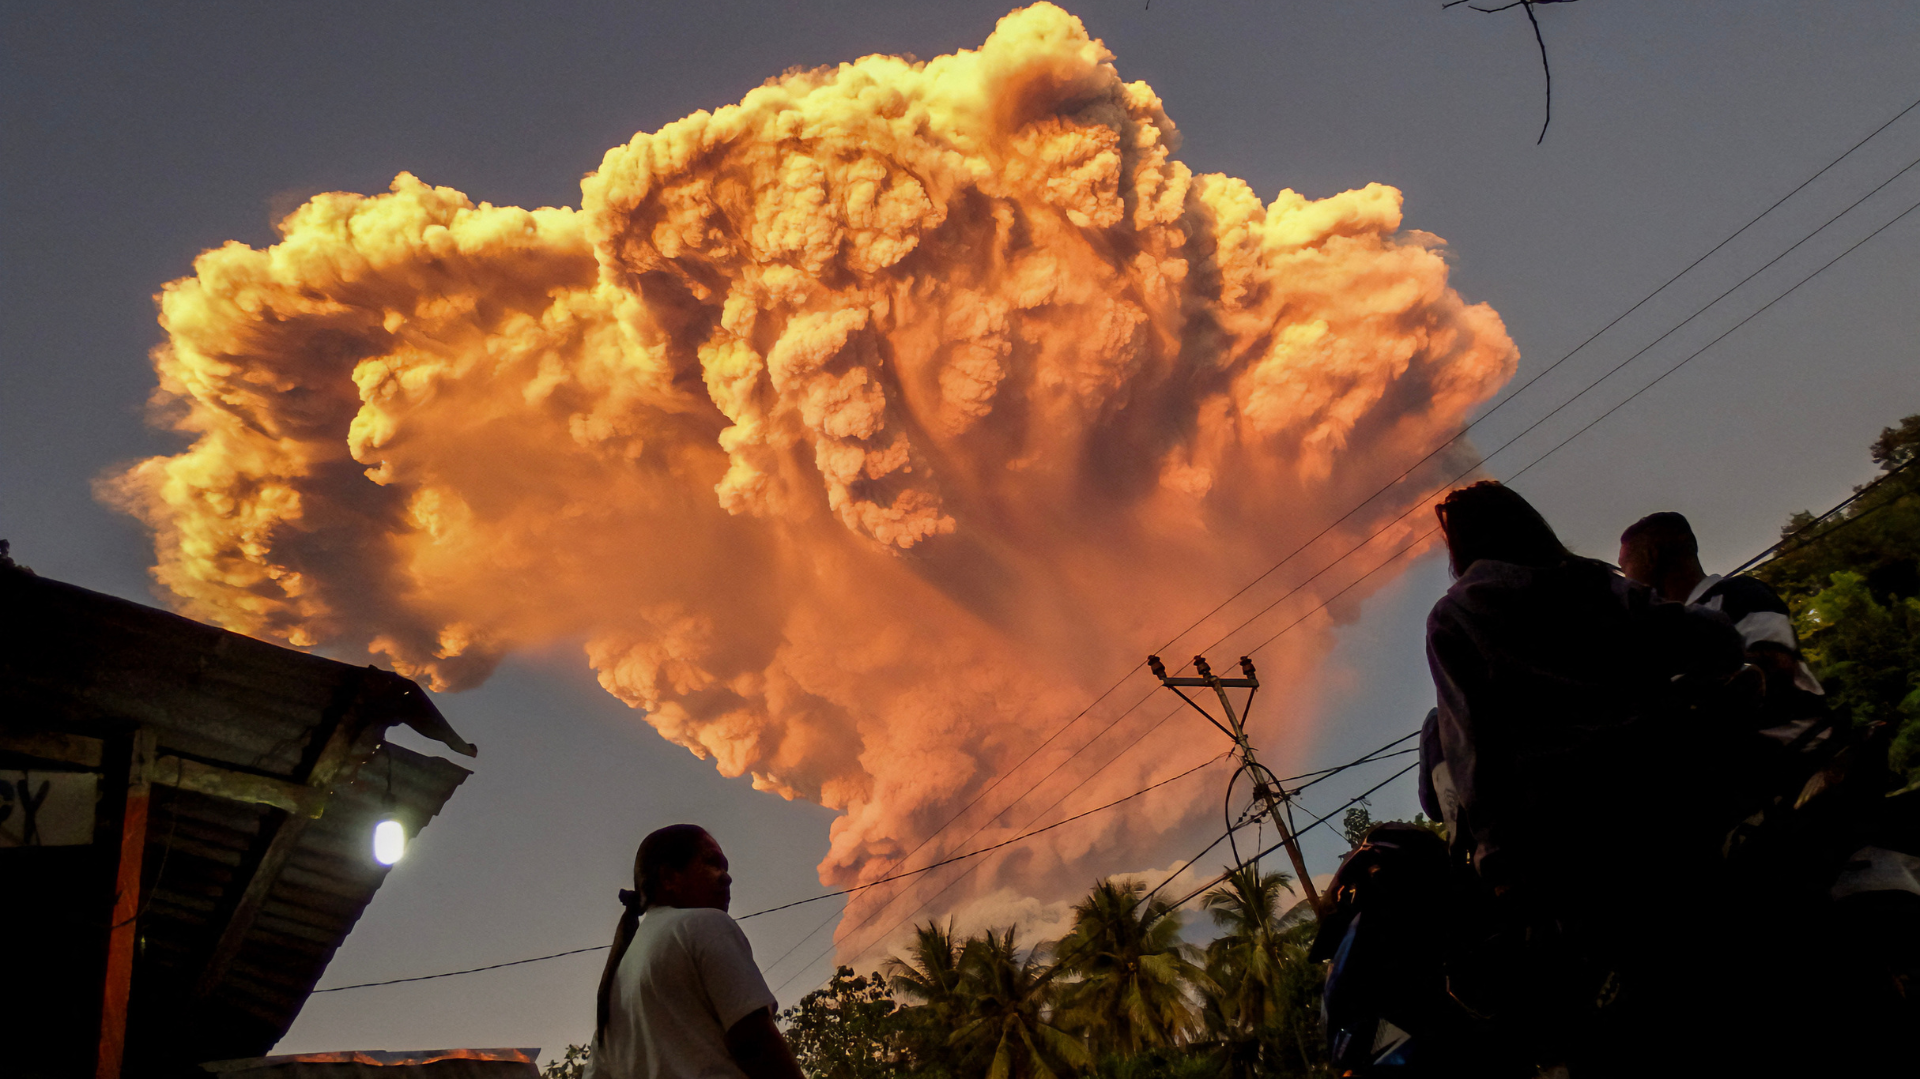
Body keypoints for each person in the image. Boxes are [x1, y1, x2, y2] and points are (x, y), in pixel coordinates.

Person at [1423, 481, 1747, 1073]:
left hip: (1566, 847)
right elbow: (1710, 639)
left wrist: (1498, 862)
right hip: (1671, 805)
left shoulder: (1458, 613)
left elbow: (1475, 750)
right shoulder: (1593, 583)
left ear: (1461, 545)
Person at [586, 825, 803, 1079]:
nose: (726, 877)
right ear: (668, 878)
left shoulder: (611, 989)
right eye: (712, 863)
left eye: (725, 868)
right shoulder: (704, 925)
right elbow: (754, 1045)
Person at [1618, 511, 1829, 749]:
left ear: (1651, 556)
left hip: (1788, 741)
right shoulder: (1660, 630)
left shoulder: (1738, 593)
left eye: (1625, 566)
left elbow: (1775, 664)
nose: (1626, 579)